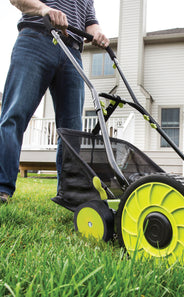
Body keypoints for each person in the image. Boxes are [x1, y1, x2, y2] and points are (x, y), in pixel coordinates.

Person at [0, 0, 110, 204]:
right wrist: (45, 9)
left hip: (72, 52)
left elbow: (90, 22)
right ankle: (2, 187)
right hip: (36, 38)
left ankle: (69, 193)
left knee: (72, 131)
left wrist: (99, 32)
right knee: (15, 114)